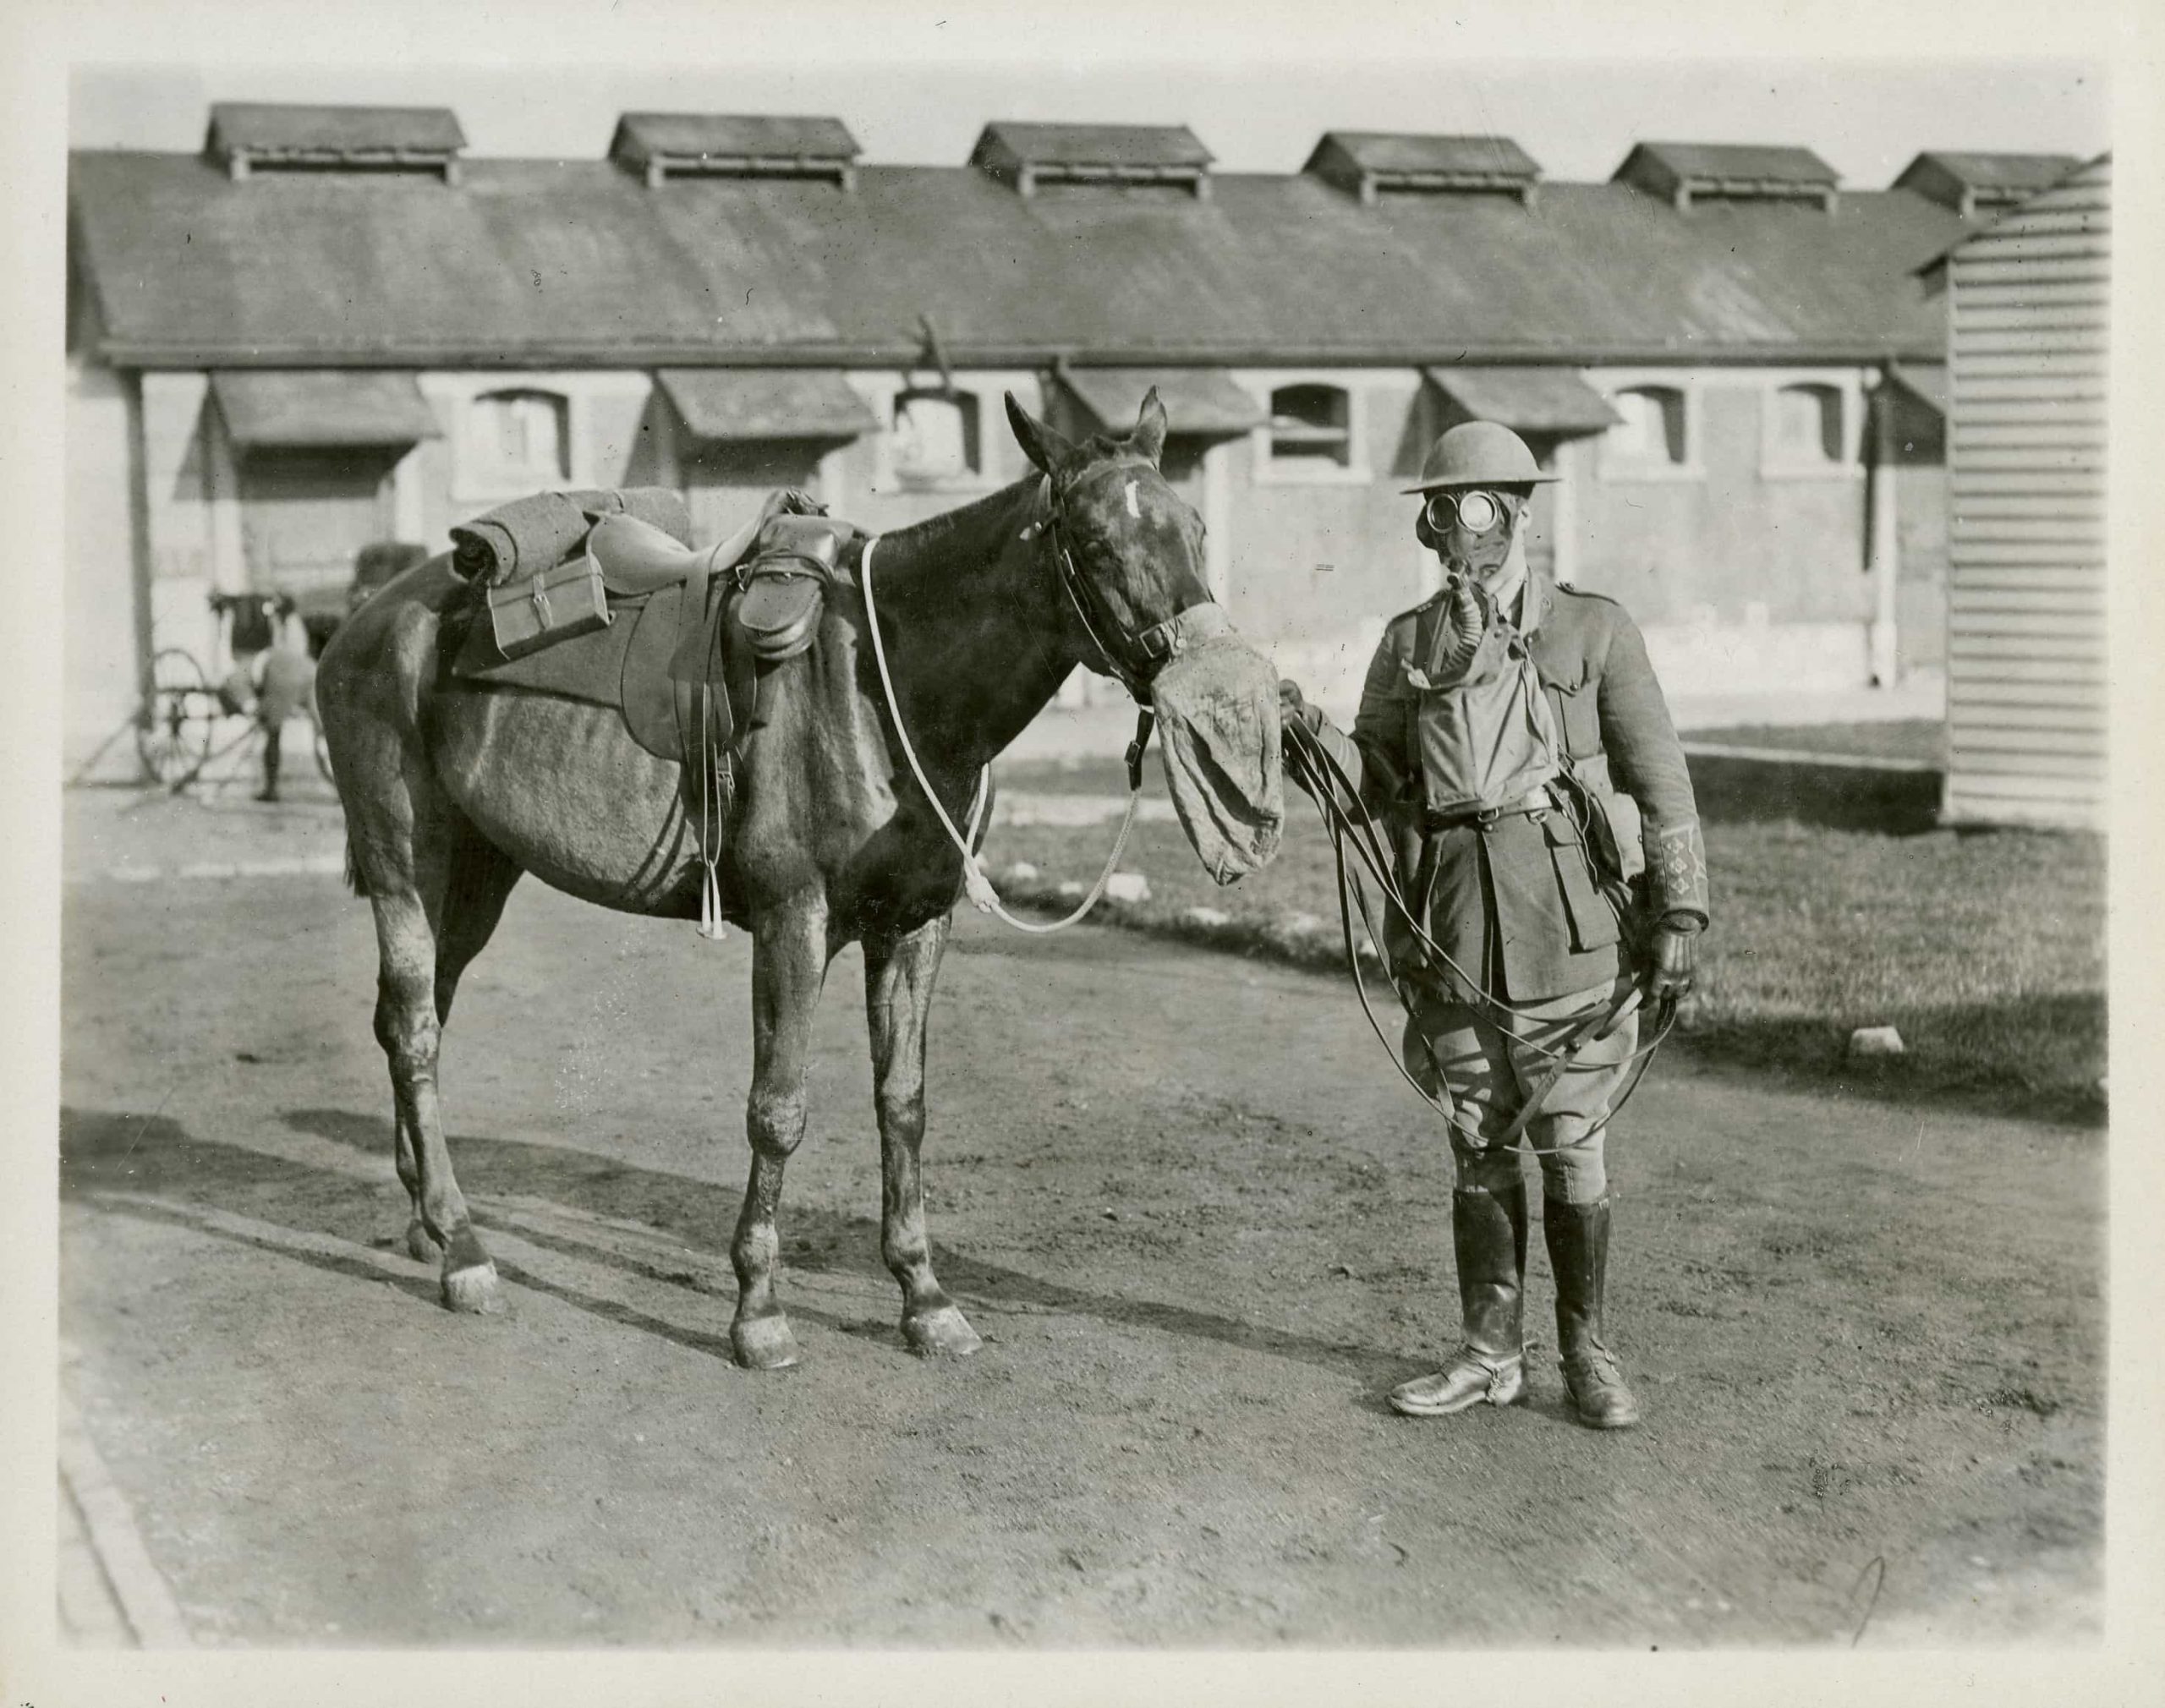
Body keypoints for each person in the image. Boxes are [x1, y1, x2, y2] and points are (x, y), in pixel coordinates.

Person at [1279, 420, 1708, 1430]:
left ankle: (1585, 1354)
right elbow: (1376, 780)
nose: (1459, 528)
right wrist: (1306, 733)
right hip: (1453, 921)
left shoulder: (1593, 630)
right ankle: (1487, 1353)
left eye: (1479, 506)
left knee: (1572, 1139)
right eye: (1442, 510)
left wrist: (1679, 907)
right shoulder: (1407, 642)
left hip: (1572, 919)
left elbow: (1660, 779)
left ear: (1520, 511)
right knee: (1476, 1136)